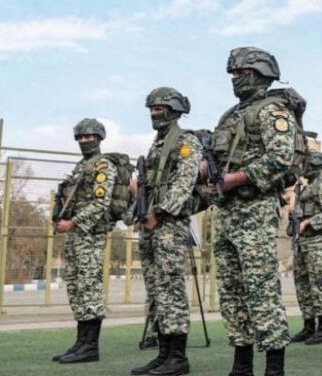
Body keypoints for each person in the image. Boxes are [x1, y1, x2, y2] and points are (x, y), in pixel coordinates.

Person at [209, 47, 302, 376]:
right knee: (231, 292)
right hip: (226, 212)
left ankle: (274, 368)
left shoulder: (272, 110)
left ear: (261, 73)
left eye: (241, 72)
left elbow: (280, 158)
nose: (235, 78)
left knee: (261, 290)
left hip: (256, 210)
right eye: (232, 73)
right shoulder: (229, 116)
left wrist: (235, 179)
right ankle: (242, 365)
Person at [130, 88, 202, 376]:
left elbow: (185, 183)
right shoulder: (157, 144)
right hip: (150, 224)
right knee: (156, 290)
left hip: (168, 224)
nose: (154, 112)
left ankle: (178, 357)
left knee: (171, 289)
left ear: (173, 110)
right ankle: (163, 354)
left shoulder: (185, 141)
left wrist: (158, 213)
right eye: (151, 108)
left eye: (159, 108)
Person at [52, 118, 118, 364]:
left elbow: (101, 203)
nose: (84, 141)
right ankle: (81, 343)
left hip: (90, 235)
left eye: (88, 137)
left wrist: (73, 222)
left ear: (99, 138)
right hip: (76, 235)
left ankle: (90, 346)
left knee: (89, 287)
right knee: (76, 287)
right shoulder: (81, 166)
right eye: (80, 137)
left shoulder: (102, 165)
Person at [289, 145, 322, 346]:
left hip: (317, 242)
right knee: (302, 284)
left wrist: (309, 222)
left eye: (305, 165)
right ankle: (308, 325)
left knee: (318, 284)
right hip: (301, 243)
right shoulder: (302, 188)